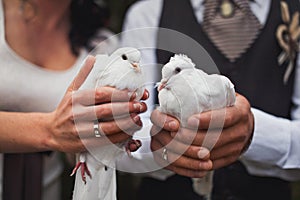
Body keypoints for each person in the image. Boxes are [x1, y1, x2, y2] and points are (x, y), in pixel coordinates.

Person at [121, 0, 300, 199]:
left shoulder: (295, 11)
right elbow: (122, 135)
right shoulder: (147, 15)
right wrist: (156, 145)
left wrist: (256, 134)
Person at [0, 0, 148, 199]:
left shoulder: (101, 45)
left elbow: (76, 143)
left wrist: (102, 136)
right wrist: (48, 130)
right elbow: (57, 131)